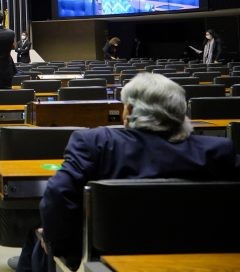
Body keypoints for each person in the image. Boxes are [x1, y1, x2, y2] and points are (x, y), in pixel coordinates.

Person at [17, 73, 240, 272]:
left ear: (130, 110)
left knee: (38, 234)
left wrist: (63, 247)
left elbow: (57, 198)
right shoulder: (217, 151)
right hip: (197, 260)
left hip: (105, 260)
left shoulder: (95, 143)